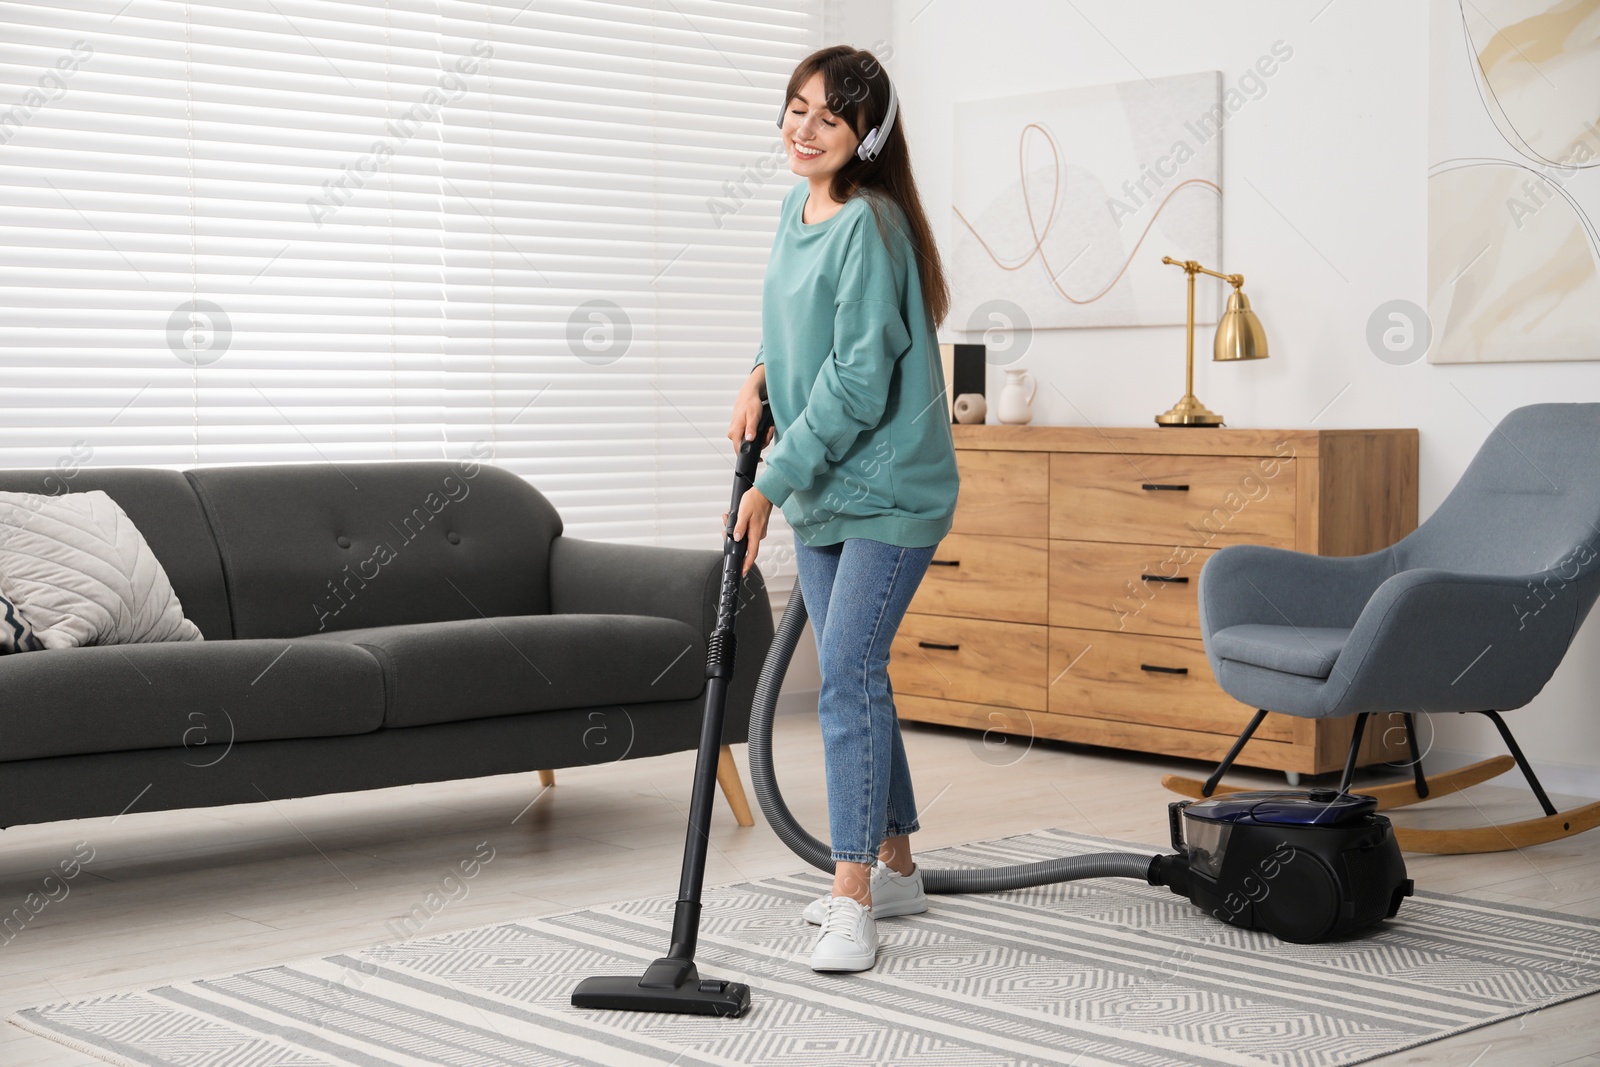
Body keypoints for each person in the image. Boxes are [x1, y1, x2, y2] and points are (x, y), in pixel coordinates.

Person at [723, 44, 959, 974]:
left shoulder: (873, 223)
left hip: (891, 487)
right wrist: (756, 372)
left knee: (846, 676)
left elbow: (860, 378)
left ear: (869, 133)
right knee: (860, 671)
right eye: (795, 108)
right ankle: (897, 860)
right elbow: (796, 324)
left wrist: (769, 479)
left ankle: (851, 895)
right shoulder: (798, 207)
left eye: (827, 115)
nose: (803, 128)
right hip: (827, 485)